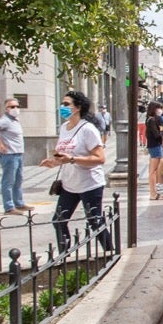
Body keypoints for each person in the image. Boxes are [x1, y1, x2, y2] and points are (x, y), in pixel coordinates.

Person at [41, 90, 110, 253]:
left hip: (89, 184)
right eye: (62, 104)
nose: (62, 107)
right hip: (69, 184)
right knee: (58, 221)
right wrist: (53, 162)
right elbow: (65, 154)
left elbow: (100, 158)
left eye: (66, 104)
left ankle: (110, 252)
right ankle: (64, 255)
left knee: (95, 222)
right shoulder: (64, 128)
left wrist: (72, 160)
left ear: (77, 107)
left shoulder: (88, 129)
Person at [0, 98, 28, 215]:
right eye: (12, 107)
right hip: (9, 155)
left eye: (17, 106)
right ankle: (9, 207)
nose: (15, 109)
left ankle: (19, 203)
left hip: (18, 153)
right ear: (6, 108)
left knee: (18, 180)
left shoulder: (15, 120)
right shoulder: (5, 120)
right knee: (8, 181)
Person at [145, 100, 163, 199]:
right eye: (158, 108)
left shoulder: (152, 119)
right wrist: (162, 134)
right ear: (154, 109)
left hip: (155, 145)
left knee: (154, 171)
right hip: (155, 146)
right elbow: (156, 134)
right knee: (153, 171)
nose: (160, 110)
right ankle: (153, 194)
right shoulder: (151, 120)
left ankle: (154, 193)